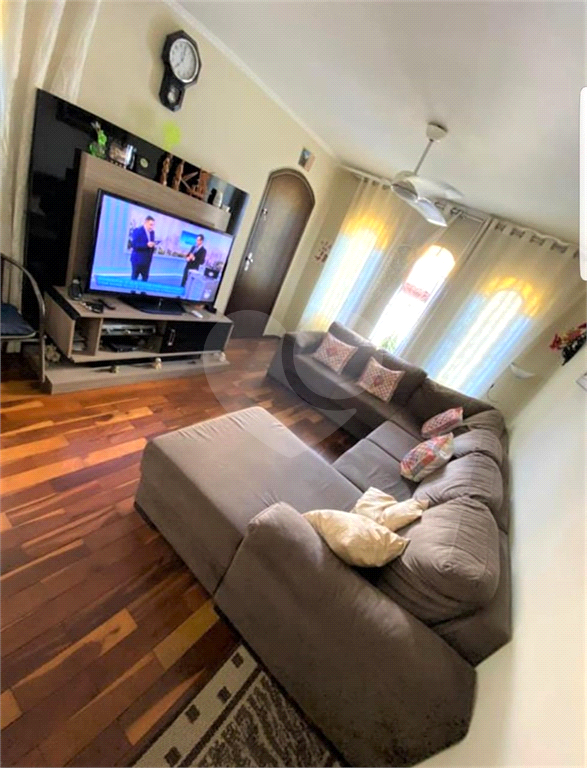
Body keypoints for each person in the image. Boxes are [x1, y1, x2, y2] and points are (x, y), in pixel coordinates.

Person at [130, 216, 156, 281]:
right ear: (145, 222)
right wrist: (146, 245)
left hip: (147, 262)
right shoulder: (137, 231)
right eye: (150, 225)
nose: (152, 227)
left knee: (145, 280)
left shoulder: (152, 233)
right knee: (134, 279)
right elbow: (134, 245)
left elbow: (151, 246)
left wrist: (153, 245)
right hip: (137, 261)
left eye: (153, 225)